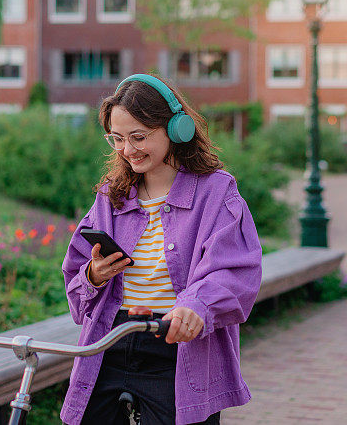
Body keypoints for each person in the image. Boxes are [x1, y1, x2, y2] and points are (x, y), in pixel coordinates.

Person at [60, 73, 263, 425]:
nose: (127, 150)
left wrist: (196, 306)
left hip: (176, 345)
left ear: (176, 128)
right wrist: (93, 275)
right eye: (117, 139)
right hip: (110, 341)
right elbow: (77, 288)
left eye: (139, 137)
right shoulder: (110, 196)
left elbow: (234, 271)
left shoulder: (216, 192)